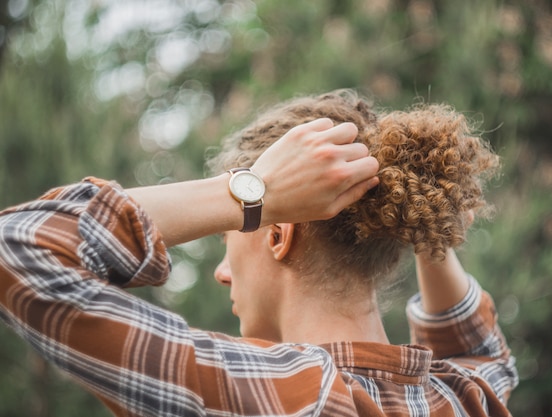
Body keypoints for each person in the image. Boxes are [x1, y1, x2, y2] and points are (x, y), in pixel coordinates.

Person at [0, 90, 518, 416]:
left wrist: (250, 192)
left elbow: (18, 245)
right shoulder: (465, 398)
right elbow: (477, 349)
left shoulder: (267, 393)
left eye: (229, 239)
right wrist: (427, 224)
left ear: (277, 234)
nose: (222, 273)